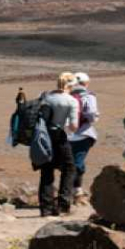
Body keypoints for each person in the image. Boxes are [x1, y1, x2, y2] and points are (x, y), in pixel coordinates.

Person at [38, 72, 79, 217]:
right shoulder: (71, 101)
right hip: (60, 136)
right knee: (69, 168)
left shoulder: (46, 98)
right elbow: (74, 126)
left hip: (43, 137)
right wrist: (68, 130)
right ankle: (63, 205)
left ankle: (46, 208)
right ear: (71, 85)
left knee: (47, 171)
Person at [68, 72, 99, 201]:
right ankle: (75, 191)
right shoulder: (89, 96)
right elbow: (91, 113)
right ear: (86, 83)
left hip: (67, 134)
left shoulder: (66, 95)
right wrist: (92, 119)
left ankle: (73, 190)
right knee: (78, 163)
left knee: (71, 162)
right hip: (83, 133)